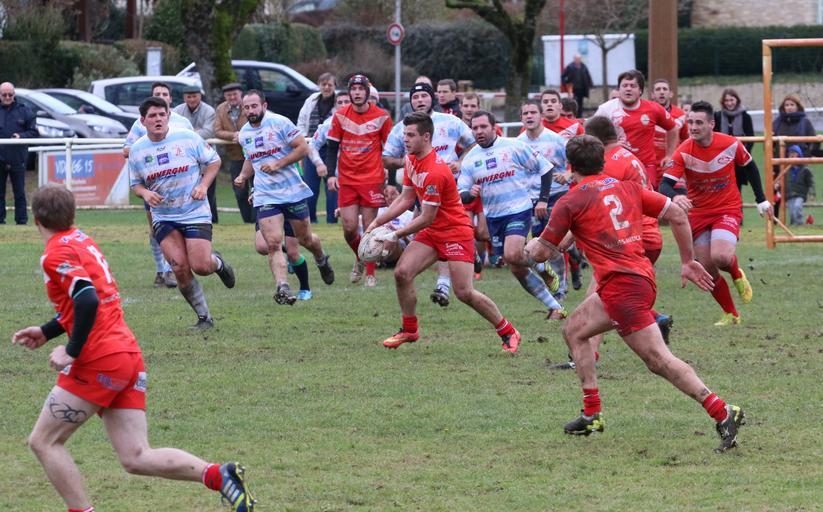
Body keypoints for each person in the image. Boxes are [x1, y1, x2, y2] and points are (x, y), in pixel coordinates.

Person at [12, 184, 255, 512]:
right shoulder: (81, 240)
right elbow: (89, 300)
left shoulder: (55, 253)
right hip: (125, 354)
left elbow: (87, 299)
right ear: (71, 215)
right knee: (136, 456)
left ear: (36, 219)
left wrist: (72, 349)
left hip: (98, 359)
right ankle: (218, 476)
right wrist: (46, 331)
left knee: (44, 441)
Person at [524, 135, 746, 453]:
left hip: (623, 288)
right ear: (602, 161)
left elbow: (542, 253)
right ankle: (592, 413)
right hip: (635, 279)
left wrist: (529, 247)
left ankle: (723, 411)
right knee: (573, 331)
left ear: (569, 166)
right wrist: (687, 261)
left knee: (658, 360)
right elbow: (677, 214)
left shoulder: (570, 201)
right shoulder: (625, 187)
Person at [366, 112, 522, 353]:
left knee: (464, 292)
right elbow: (406, 199)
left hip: (455, 232)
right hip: (432, 231)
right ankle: (409, 330)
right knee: (402, 273)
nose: (405, 139)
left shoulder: (435, 171)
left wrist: (395, 234)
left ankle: (508, 331)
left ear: (426, 137)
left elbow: (426, 216)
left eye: (410, 135)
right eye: (404, 134)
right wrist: (377, 222)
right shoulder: (410, 160)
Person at [660, 101, 773, 326]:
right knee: (707, 268)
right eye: (690, 122)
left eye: (699, 123)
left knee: (720, 257)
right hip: (699, 214)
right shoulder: (684, 151)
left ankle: (736, 273)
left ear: (711, 124)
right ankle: (731, 314)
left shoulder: (730, 144)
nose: (693, 127)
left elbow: (750, 167)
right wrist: (676, 197)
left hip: (726, 209)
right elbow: (664, 185)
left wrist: (761, 199)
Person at [129, 97, 236, 330]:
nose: (158, 119)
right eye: (152, 116)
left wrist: (203, 186)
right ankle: (204, 317)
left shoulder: (187, 137)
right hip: (163, 215)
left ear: (168, 116)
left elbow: (214, 161)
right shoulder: (137, 150)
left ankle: (218, 263)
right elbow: (135, 184)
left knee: (201, 266)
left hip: (194, 211)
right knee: (178, 267)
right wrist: (145, 194)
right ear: (143, 121)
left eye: (162, 114)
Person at [458, 111, 565, 318]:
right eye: (475, 128)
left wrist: (543, 199)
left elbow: (545, 168)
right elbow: (461, 192)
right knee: (515, 267)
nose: (479, 131)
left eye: (483, 127)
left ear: (494, 127)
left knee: (512, 254)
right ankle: (555, 305)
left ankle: (542, 264)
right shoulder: (470, 159)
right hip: (494, 216)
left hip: (519, 209)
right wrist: (469, 194)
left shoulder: (514, 146)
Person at [234, 89, 335, 304]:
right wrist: (243, 175)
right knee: (273, 243)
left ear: (264, 105)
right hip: (266, 194)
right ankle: (283, 286)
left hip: (292, 192)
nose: (251, 111)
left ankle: (320, 258)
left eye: (254, 106)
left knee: (305, 240)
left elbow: (303, 148)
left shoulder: (280, 123)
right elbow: (251, 158)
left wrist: (278, 164)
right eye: (246, 107)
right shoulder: (244, 133)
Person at [382, 82, 476, 307]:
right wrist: (408, 163)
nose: (420, 100)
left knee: (440, 226)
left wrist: (460, 162)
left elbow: (473, 144)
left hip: (448, 186)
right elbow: (386, 158)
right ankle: (443, 280)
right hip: (421, 186)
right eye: (415, 97)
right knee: (408, 261)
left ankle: (444, 281)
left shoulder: (451, 121)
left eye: (424, 96)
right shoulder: (403, 131)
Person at [324, 74, 393, 287]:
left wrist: (389, 176)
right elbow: (332, 147)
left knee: (369, 228)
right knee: (349, 228)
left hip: (372, 179)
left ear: (367, 92)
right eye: (353, 89)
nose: (356, 93)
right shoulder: (340, 115)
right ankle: (361, 257)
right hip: (347, 179)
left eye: (360, 89)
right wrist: (331, 174)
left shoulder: (382, 116)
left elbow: (390, 150)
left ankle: (370, 274)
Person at [124, 82, 194, 289]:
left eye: (165, 94)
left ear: (171, 98)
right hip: (154, 186)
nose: (161, 96)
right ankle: (161, 271)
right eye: (157, 93)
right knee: (157, 229)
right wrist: (148, 148)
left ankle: (174, 269)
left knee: (183, 229)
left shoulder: (183, 123)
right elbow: (126, 150)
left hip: (182, 186)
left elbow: (195, 147)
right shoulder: (141, 123)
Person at [516, 100, 567, 305]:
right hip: (531, 200)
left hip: (556, 196)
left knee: (553, 244)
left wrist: (567, 174)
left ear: (541, 116)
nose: (529, 116)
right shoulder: (518, 143)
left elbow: (574, 163)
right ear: (521, 118)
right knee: (537, 247)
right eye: (525, 113)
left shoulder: (556, 140)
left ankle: (560, 289)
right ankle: (568, 263)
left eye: (533, 112)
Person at [593, 70, 679, 191]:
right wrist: (611, 146)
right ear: (619, 89)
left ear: (640, 91)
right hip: (615, 164)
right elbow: (590, 136)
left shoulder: (653, 109)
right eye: (624, 86)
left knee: (645, 196)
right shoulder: (606, 109)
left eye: (633, 86)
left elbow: (673, 128)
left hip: (645, 165)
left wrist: (670, 155)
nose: (628, 89)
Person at [297, 72, 338, 224]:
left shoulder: (339, 102)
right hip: (310, 146)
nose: (326, 87)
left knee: (332, 188)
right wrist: (303, 138)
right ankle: (310, 220)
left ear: (335, 86)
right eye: (323, 84)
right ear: (319, 85)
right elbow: (301, 122)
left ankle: (332, 221)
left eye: (330, 85)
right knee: (309, 188)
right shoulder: (311, 100)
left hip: (331, 149)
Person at [173, 85, 218, 223]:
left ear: (200, 96)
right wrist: (196, 132)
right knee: (185, 189)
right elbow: (172, 130)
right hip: (184, 158)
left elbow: (208, 132)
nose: (192, 99)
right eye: (189, 96)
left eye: (194, 96)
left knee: (208, 190)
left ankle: (212, 220)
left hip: (205, 157)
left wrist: (185, 134)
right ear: (184, 97)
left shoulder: (209, 111)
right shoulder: (177, 110)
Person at [215, 83, 255, 224]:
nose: (232, 97)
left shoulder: (249, 106)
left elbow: (257, 124)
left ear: (240, 94)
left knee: (257, 188)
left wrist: (243, 135)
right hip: (235, 156)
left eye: (235, 94)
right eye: (228, 95)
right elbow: (217, 131)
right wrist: (233, 135)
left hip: (254, 155)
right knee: (240, 191)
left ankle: (257, 220)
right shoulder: (221, 109)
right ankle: (247, 222)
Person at [0, 81, 38, 225]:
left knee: (20, 192)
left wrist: (21, 136)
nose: (7, 97)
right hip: (0, 158)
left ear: (14, 94)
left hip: (18, 158)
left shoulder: (25, 111)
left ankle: (21, 221)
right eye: (4, 95)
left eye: (10, 94)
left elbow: (34, 132)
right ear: (0, 95)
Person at [713, 88, 754, 194]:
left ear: (737, 100)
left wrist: (742, 155)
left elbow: (751, 139)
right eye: (726, 100)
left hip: (739, 159)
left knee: (737, 190)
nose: (729, 103)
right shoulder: (717, 116)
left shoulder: (745, 117)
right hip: (720, 159)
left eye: (731, 100)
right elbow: (713, 136)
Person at [651, 79, 688, 188]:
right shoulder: (646, 114)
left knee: (676, 197)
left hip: (673, 166)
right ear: (652, 94)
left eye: (665, 89)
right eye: (658, 89)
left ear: (671, 93)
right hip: (651, 167)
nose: (661, 92)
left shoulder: (680, 114)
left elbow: (686, 141)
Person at [784, 145, 815, 225]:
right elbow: (783, 182)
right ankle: (794, 226)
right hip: (790, 194)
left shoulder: (805, 170)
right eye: (790, 153)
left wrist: (812, 193)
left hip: (800, 194)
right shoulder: (787, 170)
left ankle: (799, 224)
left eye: (794, 153)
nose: (792, 155)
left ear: (799, 155)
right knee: (792, 212)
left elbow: (810, 182)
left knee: (797, 207)